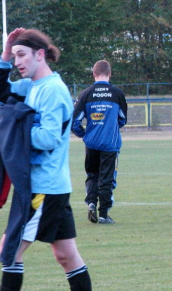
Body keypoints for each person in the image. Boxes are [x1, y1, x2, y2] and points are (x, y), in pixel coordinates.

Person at [0, 28, 92, 290]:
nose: (17, 62)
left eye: (21, 55)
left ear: (40, 54)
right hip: (48, 186)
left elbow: (49, 138)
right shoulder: (29, 86)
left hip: (43, 189)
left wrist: (13, 125)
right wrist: (4, 56)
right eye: (14, 56)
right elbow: (1, 91)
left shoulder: (52, 90)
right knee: (66, 256)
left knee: (9, 251)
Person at [72, 60, 128, 224]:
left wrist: (85, 135)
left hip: (91, 144)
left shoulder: (85, 94)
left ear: (93, 74)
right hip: (110, 144)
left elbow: (75, 122)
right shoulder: (117, 93)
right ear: (109, 73)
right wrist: (110, 128)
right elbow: (123, 119)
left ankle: (91, 203)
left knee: (92, 175)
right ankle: (103, 214)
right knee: (107, 178)